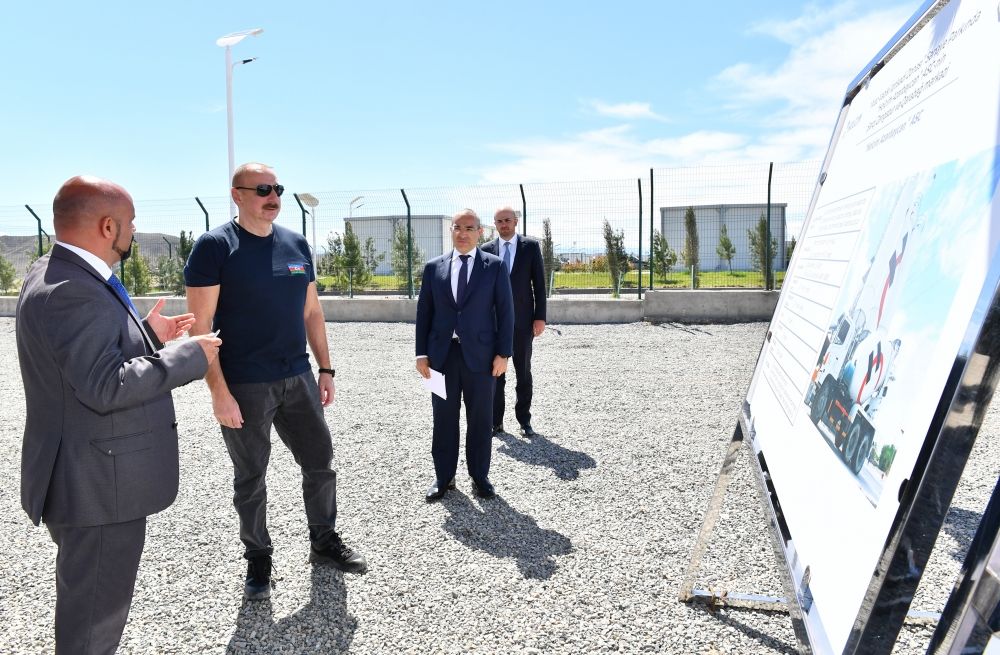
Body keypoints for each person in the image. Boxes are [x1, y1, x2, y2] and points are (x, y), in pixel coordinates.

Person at [16, 175, 221, 654]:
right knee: (93, 622)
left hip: (85, 478)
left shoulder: (54, 270)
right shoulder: (74, 290)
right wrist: (189, 355)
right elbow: (105, 385)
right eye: (130, 223)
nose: (133, 231)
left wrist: (146, 334)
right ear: (108, 226)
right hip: (96, 489)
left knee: (89, 606)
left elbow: (82, 362)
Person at [184, 162, 367, 602]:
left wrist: (325, 369)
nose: (273, 196)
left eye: (277, 188)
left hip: (298, 377)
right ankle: (258, 559)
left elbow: (311, 312)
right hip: (245, 385)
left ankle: (323, 541)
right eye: (263, 189)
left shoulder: (296, 243)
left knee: (320, 462)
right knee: (251, 477)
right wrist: (219, 392)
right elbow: (201, 327)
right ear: (237, 195)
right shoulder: (214, 247)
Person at [416, 209, 514, 501]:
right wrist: (421, 354)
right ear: (452, 231)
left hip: (482, 358)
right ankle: (444, 478)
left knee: (481, 419)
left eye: (469, 228)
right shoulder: (434, 268)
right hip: (440, 358)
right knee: (443, 419)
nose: (462, 233)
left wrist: (504, 354)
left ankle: (479, 476)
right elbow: (424, 314)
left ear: (480, 232)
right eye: (457, 227)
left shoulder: (494, 267)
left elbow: (507, 312)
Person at [482, 206, 547, 437]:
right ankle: (496, 422)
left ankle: (524, 420)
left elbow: (539, 285)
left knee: (523, 372)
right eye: (499, 221)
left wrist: (540, 317)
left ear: (516, 221)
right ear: (495, 224)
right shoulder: (486, 250)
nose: (503, 225)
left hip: (523, 322)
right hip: (494, 323)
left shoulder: (530, 247)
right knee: (496, 373)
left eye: (507, 220)